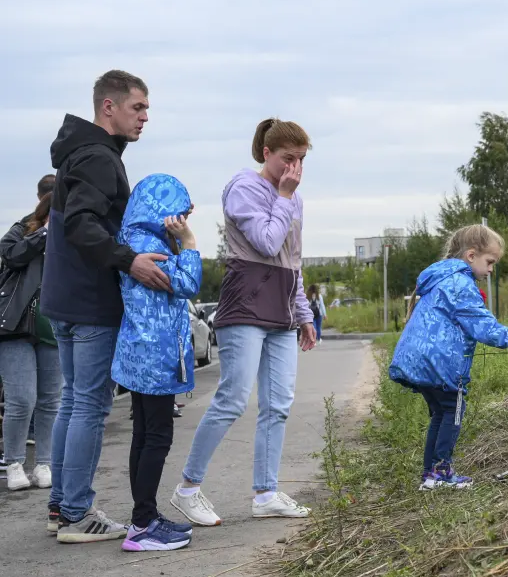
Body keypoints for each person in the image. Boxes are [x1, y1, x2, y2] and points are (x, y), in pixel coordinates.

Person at [42, 70, 172, 543]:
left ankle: (61, 506)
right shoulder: (98, 156)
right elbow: (81, 224)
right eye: (138, 107)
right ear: (108, 107)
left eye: (147, 109)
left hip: (63, 298)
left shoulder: (78, 152)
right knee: (90, 407)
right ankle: (76, 514)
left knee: (74, 401)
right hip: (91, 300)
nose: (144, 117)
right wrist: (129, 260)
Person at [171, 118, 317, 526]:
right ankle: (187, 488)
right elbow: (267, 243)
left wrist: (304, 314)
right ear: (266, 153)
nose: (295, 170)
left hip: (282, 310)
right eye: (288, 159)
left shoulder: (294, 199)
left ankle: (266, 493)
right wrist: (285, 196)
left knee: (279, 405)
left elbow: (293, 262)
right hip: (247, 305)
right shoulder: (243, 188)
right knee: (233, 398)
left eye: (302, 161)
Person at [388, 225, 508, 490]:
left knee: (440, 413)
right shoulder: (461, 284)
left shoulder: (441, 278)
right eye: (490, 262)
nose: (491, 269)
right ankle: (442, 473)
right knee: (453, 410)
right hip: (440, 364)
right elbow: (482, 323)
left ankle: (431, 475)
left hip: (419, 360)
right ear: (471, 256)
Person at [112, 174, 201, 551]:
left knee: (144, 435)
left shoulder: (131, 239)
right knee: (158, 437)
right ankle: (143, 524)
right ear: (162, 208)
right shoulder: (152, 246)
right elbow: (188, 283)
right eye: (179, 210)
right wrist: (190, 243)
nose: (182, 218)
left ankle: (143, 515)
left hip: (139, 353)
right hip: (157, 354)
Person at [0, 175, 61, 490]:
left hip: (54, 328)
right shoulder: (23, 228)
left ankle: (44, 464)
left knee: (51, 400)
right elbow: (9, 254)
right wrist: (44, 235)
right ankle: (13, 462)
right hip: (15, 328)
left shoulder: (76, 236)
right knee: (22, 399)